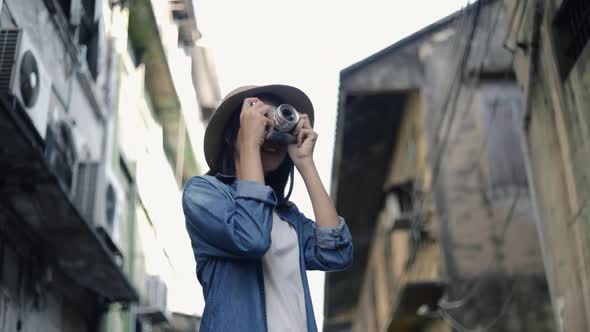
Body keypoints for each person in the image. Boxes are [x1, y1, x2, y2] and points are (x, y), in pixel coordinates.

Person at [182, 85, 353, 332]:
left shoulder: (287, 217)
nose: (270, 134)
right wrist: (249, 144)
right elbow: (251, 237)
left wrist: (306, 164)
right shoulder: (203, 193)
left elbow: (337, 252)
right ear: (232, 135)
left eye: (278, 123)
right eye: (262, 122)